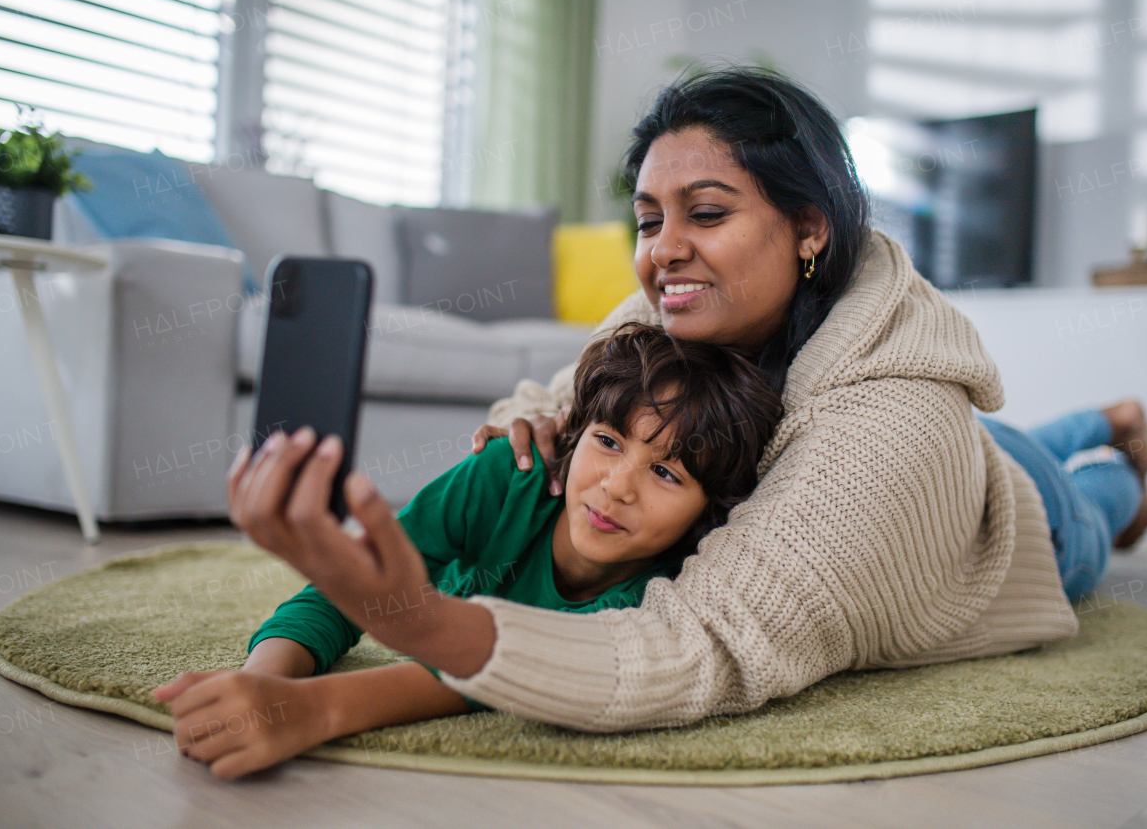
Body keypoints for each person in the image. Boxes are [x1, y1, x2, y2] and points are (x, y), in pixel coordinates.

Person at [188, 66, 1147, 752]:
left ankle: (1117, 456)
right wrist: (526, 417)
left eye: (707, 211)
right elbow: (577, 387)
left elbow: (701, 647)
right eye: (649, 220)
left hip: (997, 519)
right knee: (1030, 431)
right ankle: (1095, 418)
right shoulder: (672, 303)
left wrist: (422, 622)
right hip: (938, 443)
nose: (663, 251)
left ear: (808, 227)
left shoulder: (885, 436)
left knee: (1086, 502)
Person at [152, 322, 783, 780]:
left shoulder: (660, 602)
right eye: (609, 441)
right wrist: (262, 684)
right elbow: (343, 593)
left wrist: (308, 711)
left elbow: (480, 682)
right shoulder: (507, 478)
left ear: (709, 515)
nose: (617, 487)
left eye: (667, 474)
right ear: (571, 433)